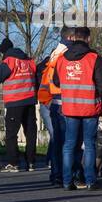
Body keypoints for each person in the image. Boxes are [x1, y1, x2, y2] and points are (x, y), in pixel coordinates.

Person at [57, 26, 102, 190]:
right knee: (89, 144)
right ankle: (90, 181)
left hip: (70, 108)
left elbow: (56, 81)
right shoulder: (94, 59)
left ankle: (66, 181)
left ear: (73, 38)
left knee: (69, 145)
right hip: (89, 109)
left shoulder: (61, 59)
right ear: (88, 39)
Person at [0, 37, 39, 172]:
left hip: (14, 102)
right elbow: (37, 78)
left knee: (11, 134)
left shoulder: (9, 61)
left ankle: (13, 162)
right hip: (30, 101)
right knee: (30, 132)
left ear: (4, 52)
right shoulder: (29, 61)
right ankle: (31, 162)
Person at [38, 41, 68, 186]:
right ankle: (58, 172)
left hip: (53, 103)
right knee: (58, 139)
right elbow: (45, 88)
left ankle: (56, 172)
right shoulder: (56, 62)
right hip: (53, 104)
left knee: (57, 139)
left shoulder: (51, 62)